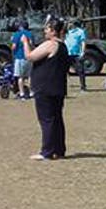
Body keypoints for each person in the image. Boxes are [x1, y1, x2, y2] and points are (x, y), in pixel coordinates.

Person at [27, 17, 69, 160]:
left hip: (46, 88)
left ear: (53, 31)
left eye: (47, 29)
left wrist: (25, 43)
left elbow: (30, 56)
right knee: (56, 119)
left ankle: (47, 151)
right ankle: (59, 150)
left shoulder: (51, 44)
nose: (45, 31)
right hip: (57, 87)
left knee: (47, 120)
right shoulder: (63, 46)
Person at [11, 20, 34, 100]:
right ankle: (31, 93)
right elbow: (32, 44)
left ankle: (22, 94)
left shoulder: (17, 34)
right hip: (29, 57)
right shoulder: (30, 34)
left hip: (19, 57)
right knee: (30, 76)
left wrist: (12, 51)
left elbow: (14, 46)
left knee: (20, 77)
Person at [64, 20, 87, 92]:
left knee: (80, 71)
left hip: (77, 54)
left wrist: (82, 52)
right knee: (63, 71)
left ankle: (83, 87)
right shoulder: (66, 32)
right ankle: (63, 87)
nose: (68, 24)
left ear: (74, 24)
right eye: (68, 23)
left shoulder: (80, 32)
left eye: (70, 23)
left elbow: (83, 42)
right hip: (67, 54)